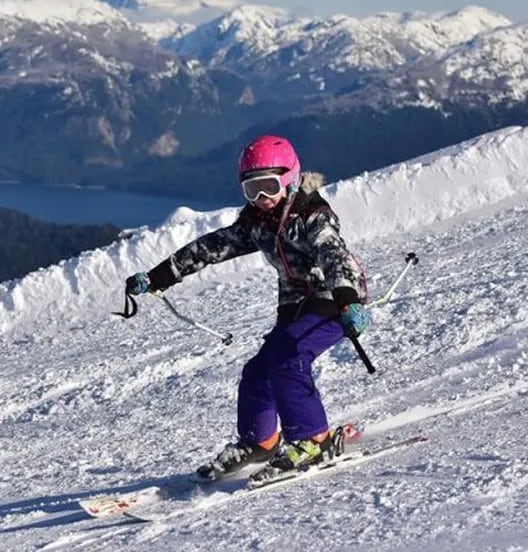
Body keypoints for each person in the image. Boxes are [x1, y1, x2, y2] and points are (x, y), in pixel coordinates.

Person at [125, 135, 370, 482]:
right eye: (251, 189)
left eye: (269, 186)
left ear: (290, 179)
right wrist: (159, 276)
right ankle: (261, 441)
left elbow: (335, 256)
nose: (261, 198)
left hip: (335, 301)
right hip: (295, 304)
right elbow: (213, 246)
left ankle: (314, 438)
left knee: (288, 359)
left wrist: (348, 300)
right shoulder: (257, 220)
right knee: (258, 371)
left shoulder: (313, 215)